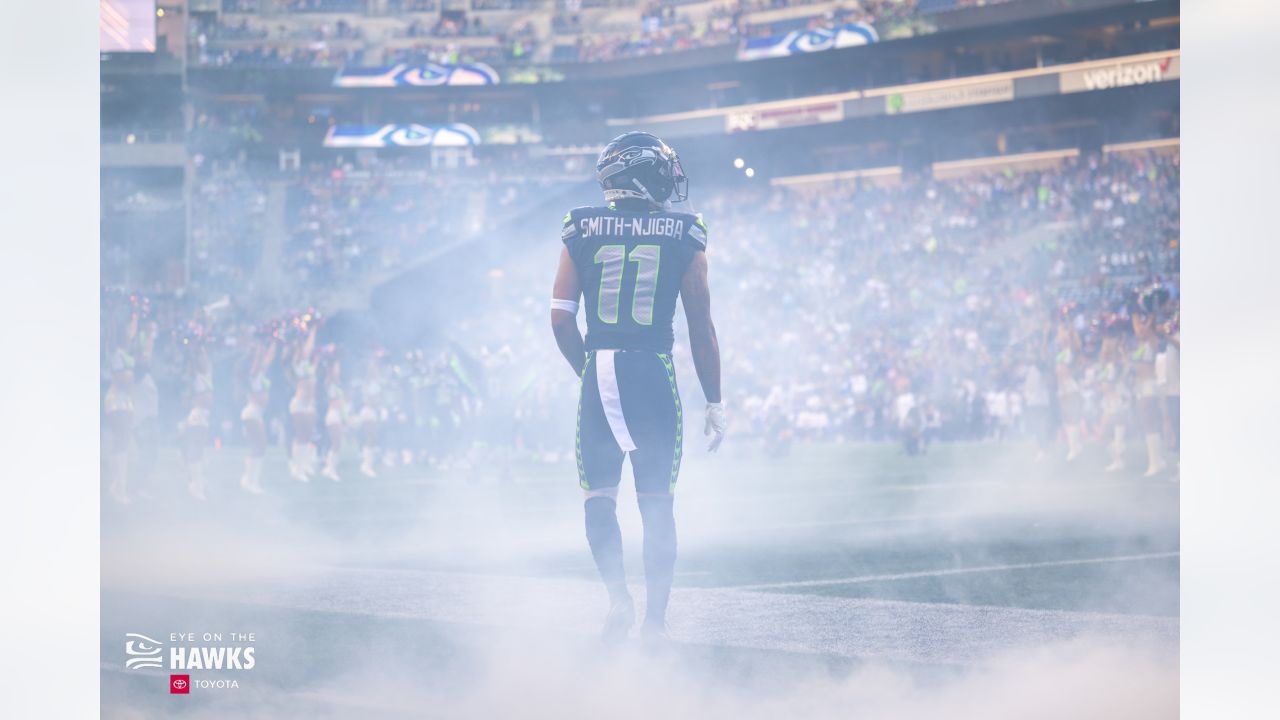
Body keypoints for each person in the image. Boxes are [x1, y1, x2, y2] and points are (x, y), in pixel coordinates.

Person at [550, 131, 726, 646]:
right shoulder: (685, 232)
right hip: (654, 371)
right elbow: (701, 325)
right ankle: (655, 623)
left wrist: (591, 373)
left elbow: (561, 320)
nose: (670, 178)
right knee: (657, 502)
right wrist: (715, 400)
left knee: (599, 498)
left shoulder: (580, 226)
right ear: (639, 174)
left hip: (599, 367)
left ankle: (617, 599)